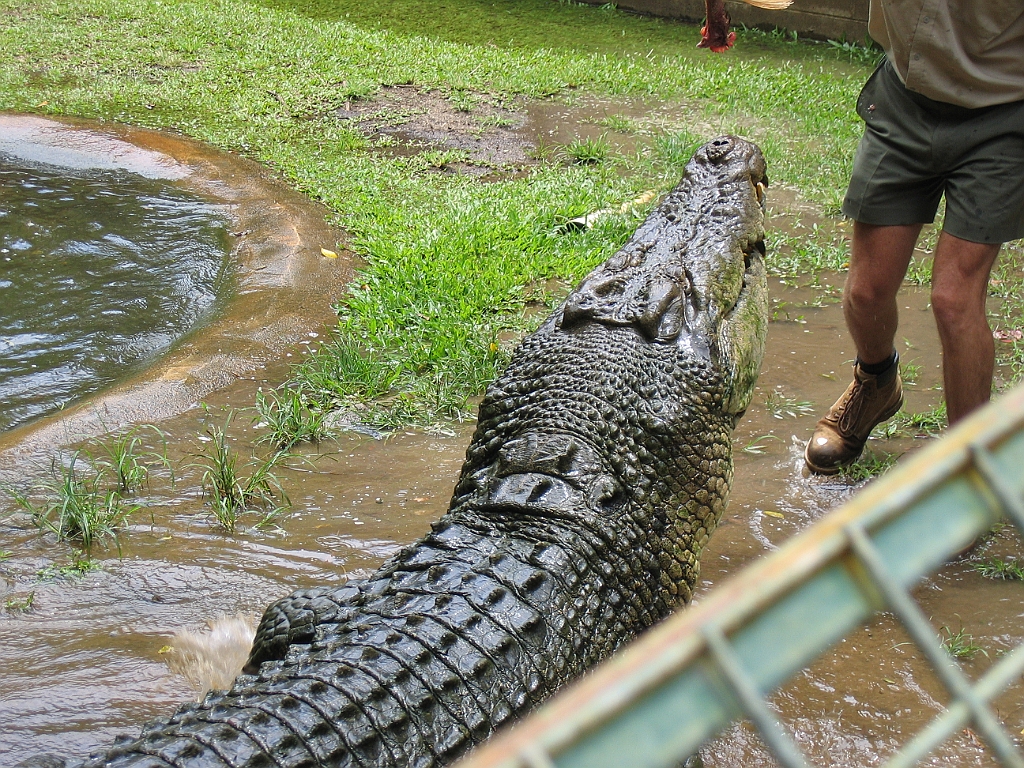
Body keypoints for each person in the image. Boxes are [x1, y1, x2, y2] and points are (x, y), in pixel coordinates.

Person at [803, 1, 1024, 474]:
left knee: (953, 298)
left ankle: (969, 469)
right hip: (905, 97)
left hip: (1004, 113)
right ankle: (876, 382)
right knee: (867, 291)